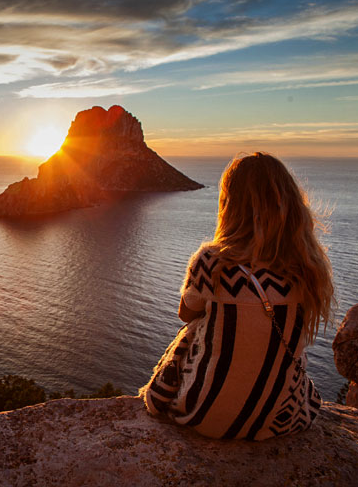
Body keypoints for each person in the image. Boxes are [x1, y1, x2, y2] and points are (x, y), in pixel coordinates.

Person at [140, 152, 334, 440]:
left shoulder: (211, 262)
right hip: (278, 422)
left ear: (230, 205)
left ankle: (164, 393)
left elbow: (185, 313)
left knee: (191, 330)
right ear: (290, 206)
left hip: (201, 415)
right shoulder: (308, 269)